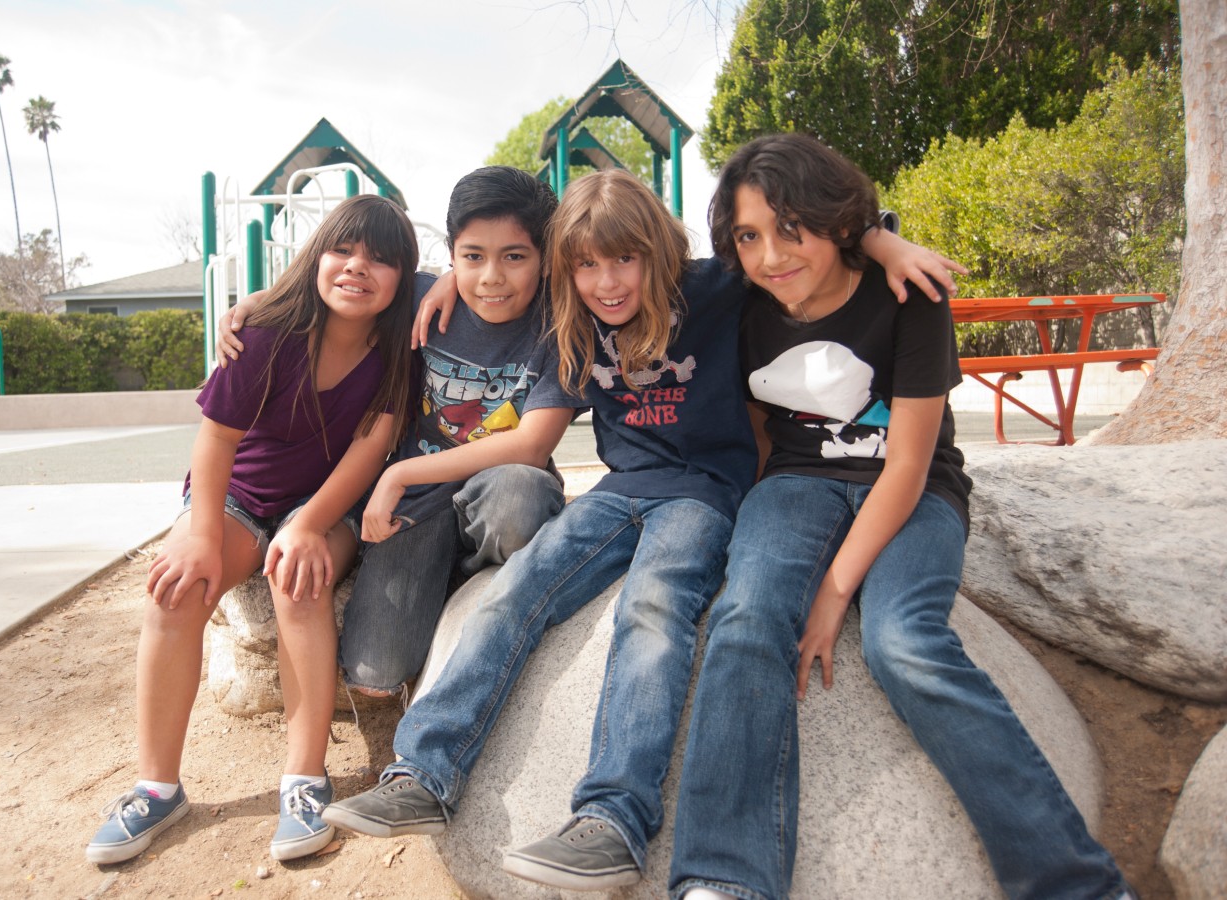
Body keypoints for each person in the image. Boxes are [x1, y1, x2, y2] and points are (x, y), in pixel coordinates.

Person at [320, 169, 965, 892]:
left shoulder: (714, 289)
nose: (606, 282)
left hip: (707, 496)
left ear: (660, 249)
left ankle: (613, 819)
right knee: (516, 590)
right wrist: (442, 281)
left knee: (654, 611)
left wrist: (881, 238)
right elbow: (476, 277)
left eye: (624, 259)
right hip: (620, 491)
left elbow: (795, 247)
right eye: (586, 265)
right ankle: (423, 775)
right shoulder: (571, 312)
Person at [667, 133, 1133, 900]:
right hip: (795, 483)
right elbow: (622, 266)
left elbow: (909, 465)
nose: (772, 255)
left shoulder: (908, 295)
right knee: (746, 617)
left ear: (833, 220)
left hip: (910, 488)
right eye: (748, 236)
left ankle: (1073, 882)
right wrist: (435, 285)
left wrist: (834, 589)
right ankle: (723, 876)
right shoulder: (741, 303)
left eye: (792, 228)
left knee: (904, 643)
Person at [85, 195, 418, 866]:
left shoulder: (397, 352)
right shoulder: (265, 330)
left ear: (403, 279)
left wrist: (311, 526)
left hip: (327, 503)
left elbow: (367, 450)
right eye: (343, 251)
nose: (358, 268)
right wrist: (203, 533)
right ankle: (156, 786)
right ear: (316, 258)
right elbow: (216, 442)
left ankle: (304, 778)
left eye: (381, 260)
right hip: (237, 497)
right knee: (175, 588)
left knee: (299, 576)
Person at [219, 166, 576, 703]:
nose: (492, 277)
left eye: (515, 257)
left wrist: (399, 472)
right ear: (452, 254)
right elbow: (335, 284)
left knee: (517, 500)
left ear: (544, 257)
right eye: (473, 257)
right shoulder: (419, 295)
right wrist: (251, 306)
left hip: (498, 484)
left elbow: (531, 444)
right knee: (374, 674)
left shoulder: (563, 323)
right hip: (418, 507)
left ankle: (471, 581)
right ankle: (434, 572)